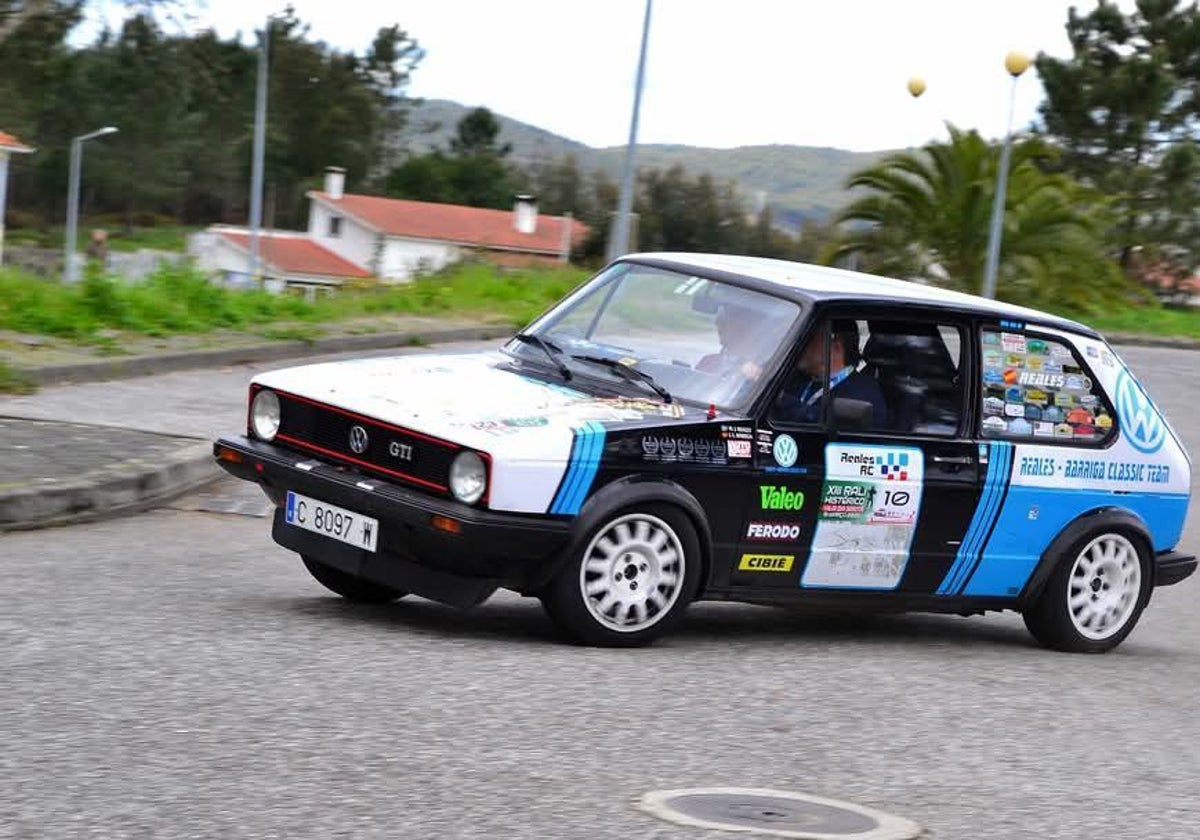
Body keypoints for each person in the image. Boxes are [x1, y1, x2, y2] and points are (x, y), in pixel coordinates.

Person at [772, 319, 888, 427]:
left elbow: (826, 424)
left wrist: (781, 398)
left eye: (809, 338)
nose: (800, 345)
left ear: (836, 346)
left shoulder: (863, 392)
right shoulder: (800, 379)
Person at [695, 301, 768, 382]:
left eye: (727, 319)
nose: (718, 323)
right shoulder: (708, 361)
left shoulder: (767, 370)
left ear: (749, 325)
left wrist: (758, 378)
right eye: (720, 319)